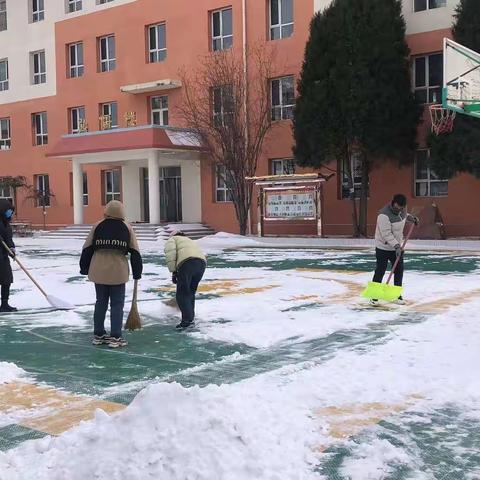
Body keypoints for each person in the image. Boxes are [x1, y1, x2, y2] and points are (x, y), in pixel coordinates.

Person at [80, 200, 142, 347]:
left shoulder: (98, 226)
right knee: (117, 304)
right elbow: (135, 252)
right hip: (118, 271)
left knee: (100, 302)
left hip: (98, 270)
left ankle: (99, 334)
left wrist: (84, 268)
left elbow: (87, 248)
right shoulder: (127, 227)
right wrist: (137, 272)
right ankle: (115, 337)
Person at [371, 193, 418, 306]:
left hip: (396, 247)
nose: (399, 210)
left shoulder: (402, 210)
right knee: (380, 270)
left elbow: (403, 216)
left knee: (398, 270)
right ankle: (374, 296)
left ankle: (397, 295)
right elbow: (386, 234)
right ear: (393, 203)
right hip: (383, 246)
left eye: (401, 208)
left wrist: (410, 218)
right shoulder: (383, 215)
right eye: (397, 208)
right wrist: (397, 246)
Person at [164, 231, 206, 329]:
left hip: (187, 263)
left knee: (182, 293)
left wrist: (173, 272)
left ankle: (186, 321)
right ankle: (190, 319)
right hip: (201, 264)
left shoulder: (173, 240)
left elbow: (171, 255)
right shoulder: (189, 240)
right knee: (191, 292)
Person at [0, 200, 17, 312]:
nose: (10, 213)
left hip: (3, 256)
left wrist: (11, 249)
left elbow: (9, 239)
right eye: (9, 210)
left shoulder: (6, 223)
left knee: (6, 279)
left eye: (11, 211)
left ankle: (4, 304)